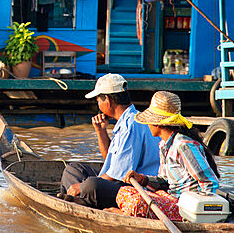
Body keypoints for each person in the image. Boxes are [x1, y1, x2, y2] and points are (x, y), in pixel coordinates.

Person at [59, 73, 160, 209]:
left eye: (98, 101)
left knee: (91, 185)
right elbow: (111, 159)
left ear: (107, 99)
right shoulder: (125, 121)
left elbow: (118, 175)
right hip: (118, 179)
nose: (98, 104)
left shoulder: (131, 125)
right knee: (73, 170)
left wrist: (82, 186)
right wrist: (101, 131)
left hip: (136, 188)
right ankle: (83, 200)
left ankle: (81, 200)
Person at [118, 91, 221, 220]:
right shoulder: (164, 145)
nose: (148, 125)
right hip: (170, 198)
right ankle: (126, 214)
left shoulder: (184, 145)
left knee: (137, 202)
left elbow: (209, 182)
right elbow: (164, 182)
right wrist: (142, 179)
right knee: (124, 192)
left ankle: (123, 215)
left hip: (185, 208)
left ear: (157, 123)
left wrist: (204, 215)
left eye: (149, 121)